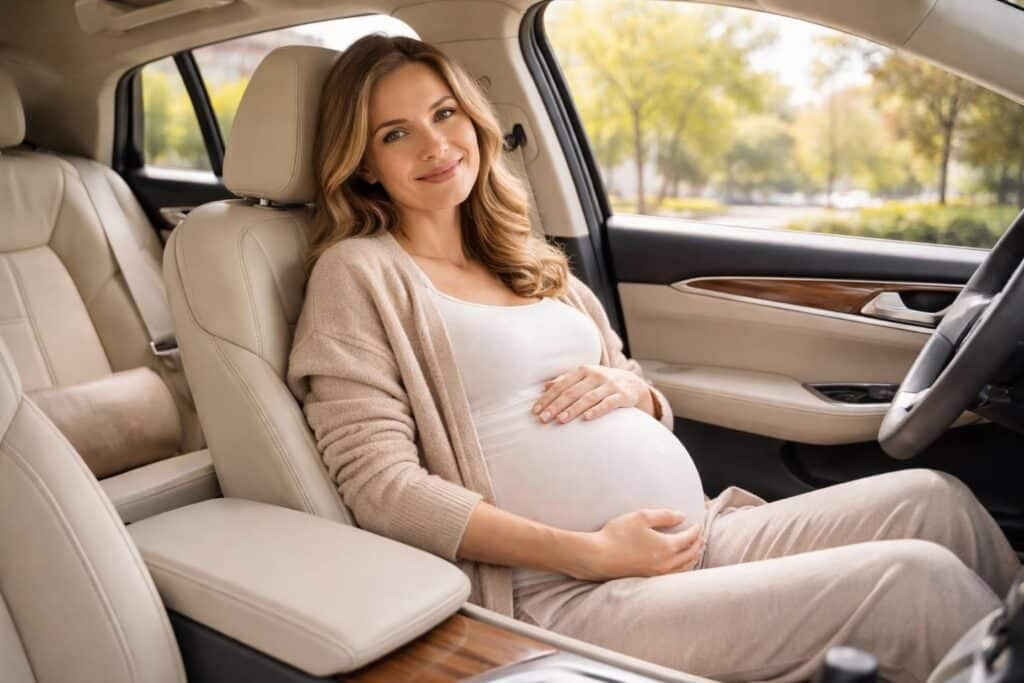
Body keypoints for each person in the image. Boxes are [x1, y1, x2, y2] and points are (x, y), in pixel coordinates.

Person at [286, 34, 1021, 683]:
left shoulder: (525, 261)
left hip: (695, 530)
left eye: (444, 113)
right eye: (395, 133)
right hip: (565, 592)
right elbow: (381, 486)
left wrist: (630, 391)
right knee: (908, 582)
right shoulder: (361, 275)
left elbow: (646, 398)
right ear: (364, 167)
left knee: (936, 499)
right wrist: (587, 552)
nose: (434, 144)